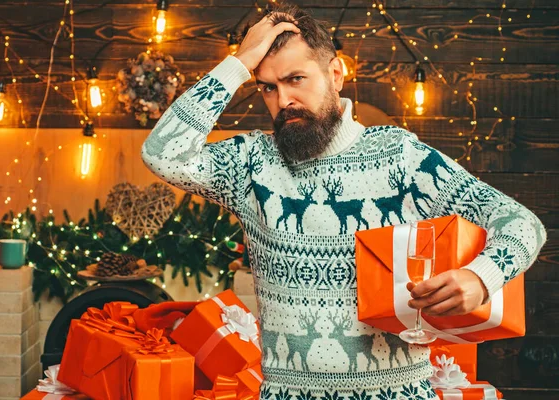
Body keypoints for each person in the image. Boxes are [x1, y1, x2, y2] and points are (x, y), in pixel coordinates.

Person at [141, 4, 546, 399]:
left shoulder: (401, 156)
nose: (283, 101)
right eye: (267, 87)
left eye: (296, 79)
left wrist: (481, 278)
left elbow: (521, 222)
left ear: (335, 74)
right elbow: (162, 153)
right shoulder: (249, 163)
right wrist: (239, 63)